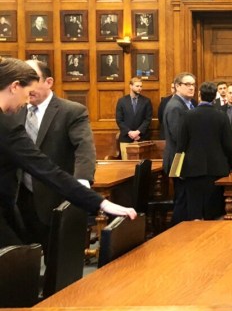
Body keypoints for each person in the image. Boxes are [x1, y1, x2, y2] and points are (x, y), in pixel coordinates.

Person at [0, 57, 135, 249]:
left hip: (32, 206)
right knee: (17, 268)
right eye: (27, 93)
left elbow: (83, 150)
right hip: (12, 210)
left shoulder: (70, 111)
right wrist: (101, 204)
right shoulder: (7, 126)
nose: (26, 100)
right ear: (14, 87)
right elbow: (45, 168)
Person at [13, 59, 97, 253]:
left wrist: (81, 183)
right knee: (20, 261)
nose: (27, 88)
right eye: (22, 82)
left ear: (48, 82)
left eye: (31, 81)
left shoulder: (71, 111)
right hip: (19, 198)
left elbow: (84, 147)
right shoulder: (14, 110)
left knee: (58, 258)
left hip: (55, 197)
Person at [175, 82, 232, 220]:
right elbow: (228, 145)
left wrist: (176, 169)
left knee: (194, 212)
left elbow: (181, 145)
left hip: (192, 170)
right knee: (213, 213)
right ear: (215, 97)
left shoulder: (187, 115)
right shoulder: (221, 116)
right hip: (216, 170)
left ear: (199, 95)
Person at [162, 72, 196, 224]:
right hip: (179, 159)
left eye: (193, 84)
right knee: (182, 199)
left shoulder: (188, 104)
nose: (191, 87)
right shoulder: (175, 106)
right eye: (187, 84)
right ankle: (177, 231)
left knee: (187, 198)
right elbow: (179, 136)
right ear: (177, 86)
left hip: (183, 158)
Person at [115, 77, 153, 151]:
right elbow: (119, 120)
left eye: (141, 86)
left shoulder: (146, 101)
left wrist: (138, 132)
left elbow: (148, 119)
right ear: (131, 86)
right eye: (137, 86)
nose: (139, 88)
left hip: (141, 138)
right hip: (126, 138)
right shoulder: (122, 101)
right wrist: (130, 132)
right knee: (126, 162)